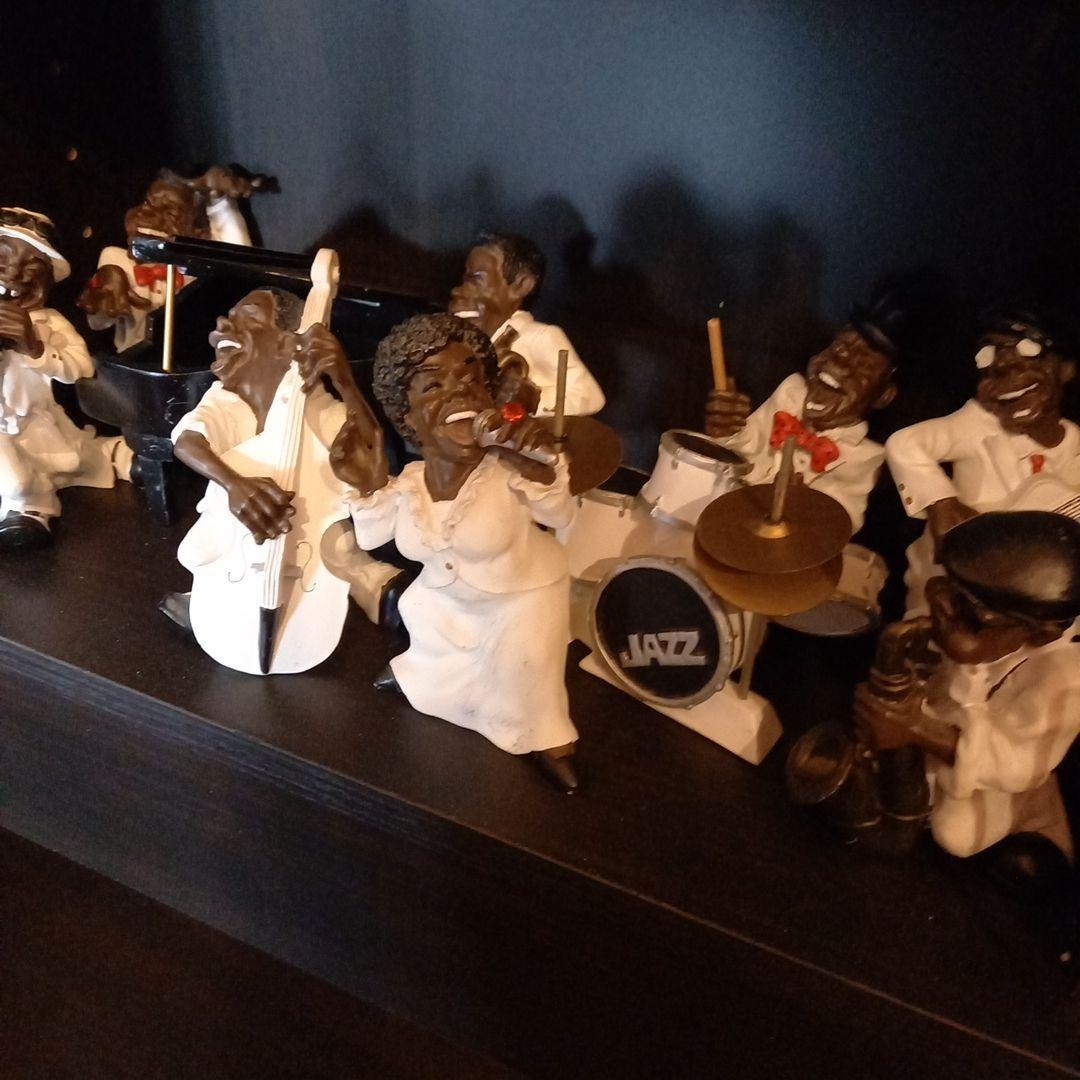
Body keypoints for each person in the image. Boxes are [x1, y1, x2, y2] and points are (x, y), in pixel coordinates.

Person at [345, 312, 581, 791]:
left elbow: (560, 515)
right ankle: (419, 681)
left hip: (522, 600)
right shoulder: (411, 482)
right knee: (426, 641)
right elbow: (369, 539)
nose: (460, 393)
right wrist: (367, 484)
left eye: (471, 381)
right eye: (433, 386)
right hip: (447, 607)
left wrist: (537, 465)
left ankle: (544, 740)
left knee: (525, 677)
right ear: (407, 418)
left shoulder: (509, 467)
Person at [853, 511, 1080, 872]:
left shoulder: (1066, 682)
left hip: (1002, 763)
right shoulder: (980, 603)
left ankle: (1037, 810)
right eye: (948, 589)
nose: (944, 609)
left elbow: (1017, 765)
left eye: (972, 612)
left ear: (1041, 634)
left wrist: (917, 730)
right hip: (948, 723)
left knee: (955, 833)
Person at [165, 287, 399, 627]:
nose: (222, 326)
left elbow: (369, 454)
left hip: (309, 530)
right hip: (239, 526)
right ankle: (215, 602)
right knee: (203, 552)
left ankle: (372, 587)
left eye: (249, 318)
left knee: (335, 551)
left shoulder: (317, 407)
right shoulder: (224, 399)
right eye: (228, 318)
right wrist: (233, 484)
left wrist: (345, 381)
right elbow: (187, 441)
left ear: (288, 344)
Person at [886, 308, 1080, 613]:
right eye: (989, 359)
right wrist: (941, 502)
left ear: (1066, 370)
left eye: (1027, 352)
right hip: (956, 592)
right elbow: (905, 443)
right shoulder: (977, 425)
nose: (1003, 366)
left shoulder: (1076, 446)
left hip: (1035, 602)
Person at [704, 293, 902, 532]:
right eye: (839, 347)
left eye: (863, 365)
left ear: (883, 396)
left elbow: (844, 522)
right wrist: (730, 430)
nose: (838, 362)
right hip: (733, 516)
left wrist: (805, 506)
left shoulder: (864, 457)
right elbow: (747, 449)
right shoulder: (791, 394)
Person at [0, 207, 129, 549]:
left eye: (31, 267)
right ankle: (28, 506)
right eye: (4, 256)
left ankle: (115, 453)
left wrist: (34, 346)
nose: (14, 273)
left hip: (36, 423)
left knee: (70, 459)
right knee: (15, 480)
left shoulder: (49, 322)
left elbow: (81, 368)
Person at [78, 166, 256, 352]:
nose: (149, 213)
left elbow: (239, 259)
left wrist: (218, 201)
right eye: (149, 203)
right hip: (136, 359)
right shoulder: (117, 259)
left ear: (199, 233)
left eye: (170, 213)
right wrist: (103, 295)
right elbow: (97, 323)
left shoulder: (195, 269)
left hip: (191, 355)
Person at [448, 231, 605, 417]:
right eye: (464, 281)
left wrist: (533, 400)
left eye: (476, 280)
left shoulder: (541, 337)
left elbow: (589, 396)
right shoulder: (466, 345)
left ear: (521, 286)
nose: (457, 291)